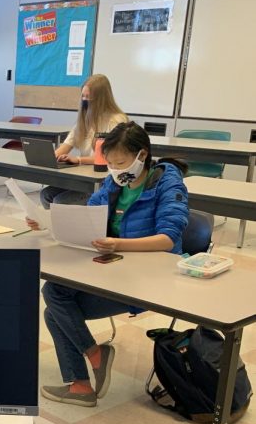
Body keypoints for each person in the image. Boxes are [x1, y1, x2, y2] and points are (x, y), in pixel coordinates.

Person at [28, 122, 189, 407]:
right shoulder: (115, 181)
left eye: (121, 162)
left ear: (143, 155)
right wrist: (48, 223)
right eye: (111, 163)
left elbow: (167, 239)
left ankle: (88, 371)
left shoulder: (166, 182)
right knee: (55, 300)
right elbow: (91, 216)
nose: (115, 169)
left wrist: (118, 244)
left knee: (54, 301)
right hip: (112, 267)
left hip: (150, 276)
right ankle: (84, 376)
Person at [40, 74, 128, 208]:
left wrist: (79, 160)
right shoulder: (85, 118)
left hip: (104, 181)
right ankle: (57, 227)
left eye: (89, 97)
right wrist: (49, 158)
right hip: (85, 178)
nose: (85, 101)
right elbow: (67, 144)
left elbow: (110, 159)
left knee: (60, 202)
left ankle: (69, 227)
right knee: (46, 195)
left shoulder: (116, 120)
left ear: (101, 99)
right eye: (83, 96)